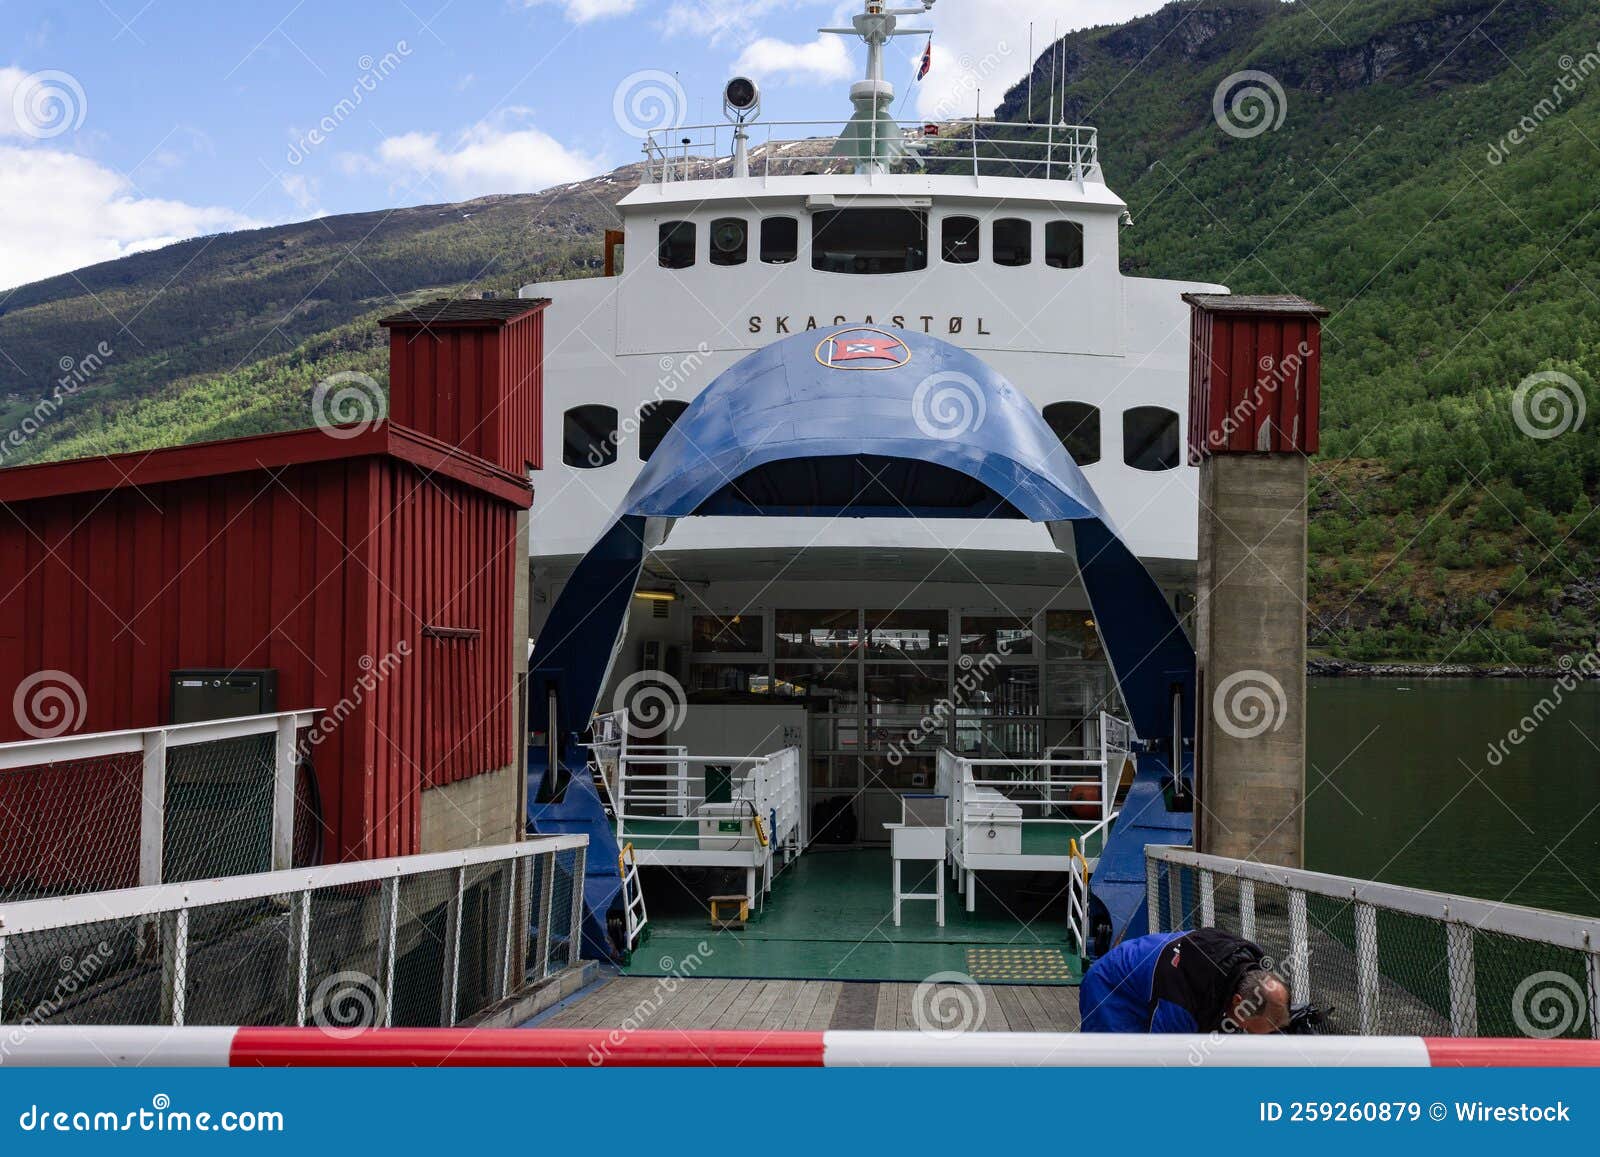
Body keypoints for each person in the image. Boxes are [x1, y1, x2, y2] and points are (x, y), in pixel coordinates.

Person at [1080, 927, 1290, 1033]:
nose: (1245, 1032)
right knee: (1112, 1069)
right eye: (1249, 1029)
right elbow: (1163, 1059)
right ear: (1237, 1002)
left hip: (1146, 975)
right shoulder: (1179, 1003)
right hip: (1109, 987)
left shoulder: (1242, 962)